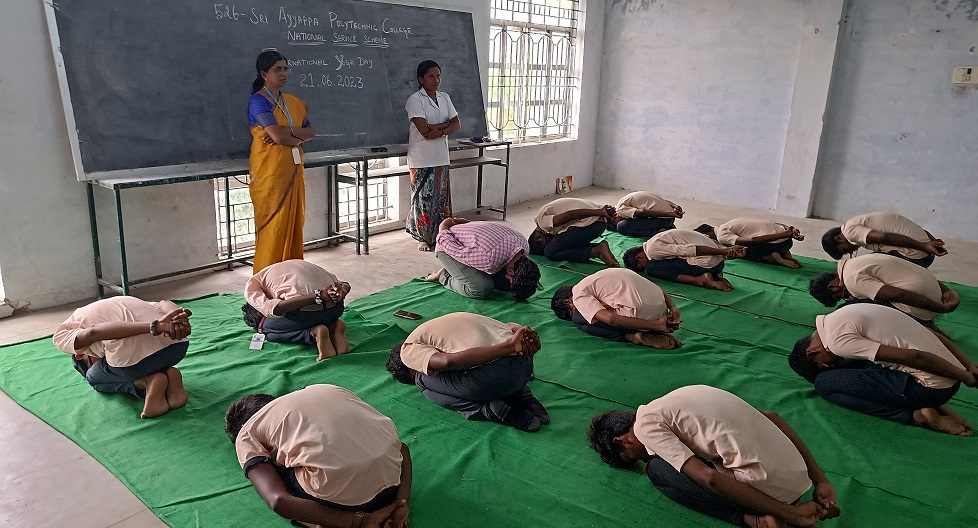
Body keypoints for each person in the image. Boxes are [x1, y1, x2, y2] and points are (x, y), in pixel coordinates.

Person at [587, 385, 840, 528]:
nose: (645, 457)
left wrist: (791, 515)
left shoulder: (646, 427)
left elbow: (709, 478)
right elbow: (773, 417)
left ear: (622, 440)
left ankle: (759, 519)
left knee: (658, 471)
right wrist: (821, 480)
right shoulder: (684, 393)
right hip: (799, 476)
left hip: (771, 489)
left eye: (635, 456)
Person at [225, 384, 411, 528]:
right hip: (393, 479)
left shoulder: (246, 433)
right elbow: (403, 449)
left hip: (341, 502)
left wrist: (360, 522)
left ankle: (326, 523)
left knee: (269, 472)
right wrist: (402, 502)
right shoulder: (326, 388)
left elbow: (278, 500)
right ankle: (396, 508)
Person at [789, 303, 975, 436]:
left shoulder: (837, 343)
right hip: (944, 376)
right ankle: (938, 406)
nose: (835, 363)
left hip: (932, 387)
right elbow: (931, 334)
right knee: (859, 359)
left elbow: (913, 357)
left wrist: (966, 377)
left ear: (812, 353)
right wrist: (968, 366)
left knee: (824, 384)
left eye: (827, 364)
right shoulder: (844, 312)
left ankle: (917, 416)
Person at [385, 312, 549, 433]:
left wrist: (509, 347)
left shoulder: (408, 351)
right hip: (526, 364)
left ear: (408, 367)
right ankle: (524, 395)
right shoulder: (440, 324)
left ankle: (485, 410)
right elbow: (512, 326)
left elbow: (447, 362)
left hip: (496, 377)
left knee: (422, 380)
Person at [52, 296, 192, 419]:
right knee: (137, 360)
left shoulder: (62, 336)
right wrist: (179, 317)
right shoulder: (121, 300)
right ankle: (168, 375)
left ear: (80, 354)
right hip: (177, 346)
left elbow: (94, 332)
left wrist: (155, 327)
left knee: (93, 377)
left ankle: (148, 381)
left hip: (135, 362)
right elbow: (163, 303)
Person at [248, 50, 315, 273]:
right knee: (273, 227)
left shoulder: (294, 103)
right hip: (270, 174)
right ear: (264, 73)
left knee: (294, 224)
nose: (284, 73)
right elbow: (276, 137)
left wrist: (285, 132)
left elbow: (311, 132)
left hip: (294, 170)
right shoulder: (258, 101)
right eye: (278, 69)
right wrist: (293, 134)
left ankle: (291, 275)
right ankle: (267, 278)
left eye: (285, 68)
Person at [242, 259, 350, 361]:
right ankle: (333, 326)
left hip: (307, 315)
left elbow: (277, 309)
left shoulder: (252, 287)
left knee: (265, 328)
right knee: (315, 313)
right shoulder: (291, 266)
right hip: (336, 309)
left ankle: (314, 333)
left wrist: (319, 296)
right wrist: (342, 292)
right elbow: (345, 284)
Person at [808, 253, 960, 325]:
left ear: (832, 286)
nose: (847, 296)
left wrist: (941, 309)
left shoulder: (852, 280)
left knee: (864, 308)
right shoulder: (855, 261)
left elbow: (900, 295)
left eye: (840, 296)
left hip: (927, 300)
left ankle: (924, 327)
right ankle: (929, 326)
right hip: (934, 286)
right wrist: (946, 291)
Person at [550, 268, 682, 349]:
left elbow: (611, 319)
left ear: (568, 301)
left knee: (580, 318)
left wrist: (657, 326)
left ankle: (634, 336)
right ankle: (652, 330)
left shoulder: (579, 294)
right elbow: (656, 286)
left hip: (650, 318)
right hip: (662, 309)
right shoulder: (603, 275)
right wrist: (674, 308)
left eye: (570, 312)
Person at [406, 60, 461, 251]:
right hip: (421, 157)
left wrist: (437, 130)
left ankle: (441, 235)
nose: (436, 80)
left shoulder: (444, 97)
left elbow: (457, 124)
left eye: (438, 76)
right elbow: (422, 130)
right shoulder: (415, 100)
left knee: (440, 199)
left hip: (440, 156)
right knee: (423, 199)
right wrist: (445, 127)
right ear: (421, 79)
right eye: (430, 76)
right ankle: (422, 238)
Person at [425, 218, 541, 301]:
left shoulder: (524, 245)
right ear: (511, 271)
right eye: (511, 277)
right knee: (482, 289)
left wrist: (467, 223)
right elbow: (448, 245)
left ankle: (462, 273)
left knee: (508, 285)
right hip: (448, 246)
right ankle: (443, 276)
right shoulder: (488, 259)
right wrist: (444, 226)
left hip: (472, 244)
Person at [623, 229, 746, 291]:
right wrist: (725, 251)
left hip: (706, 264)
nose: (644, 266)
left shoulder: (652, 250)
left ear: (638, 257)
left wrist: (725, 251)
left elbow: (693, 249)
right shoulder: (658, 238)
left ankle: (700, 280)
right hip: (718, 265)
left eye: (641, 266)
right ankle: (716, 277)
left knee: (652, 268)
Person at [821, 212, 946, 267]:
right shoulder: (860, 221)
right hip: (928, 255)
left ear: (839, 238)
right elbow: (910, 228)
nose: (850, 253)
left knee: (865, 266)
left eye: (844, 250)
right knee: (873, 258)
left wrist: (923, 246)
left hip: (915, 257)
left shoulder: (850, 231)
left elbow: (884, 237)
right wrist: (930, 242)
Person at [527, 197, 619, 266]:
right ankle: (600, 247)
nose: (551, 240)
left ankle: (596, 251)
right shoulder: (544, 214)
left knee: (550, 251)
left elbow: (571, 214)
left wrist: (600, 212)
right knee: (560, 244)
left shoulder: (543, 222)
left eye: (546, 242)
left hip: (592, 224)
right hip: (599, 224)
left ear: (539, 238)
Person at [695, 219, 804, 268]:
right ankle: (785, 254)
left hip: (775, 244)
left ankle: (771, 257)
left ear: (707, 236)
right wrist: (789, 232)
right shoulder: (732, 222)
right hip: (788, 243)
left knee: (734, 249)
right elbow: (774, 223)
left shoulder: (721, 235)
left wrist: (784, 235)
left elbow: (753, 240)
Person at [607, 191, 683, 237]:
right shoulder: (626, 199)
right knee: (635, 217)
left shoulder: (620, 209)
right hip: (670, 218)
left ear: (614, 217)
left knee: (621, 227)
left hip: (665, 219)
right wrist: (675, 206)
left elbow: (642, 212)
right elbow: (661, 200)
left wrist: (670, 214)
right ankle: (668, 227)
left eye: (616, 222)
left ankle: (658, 232)